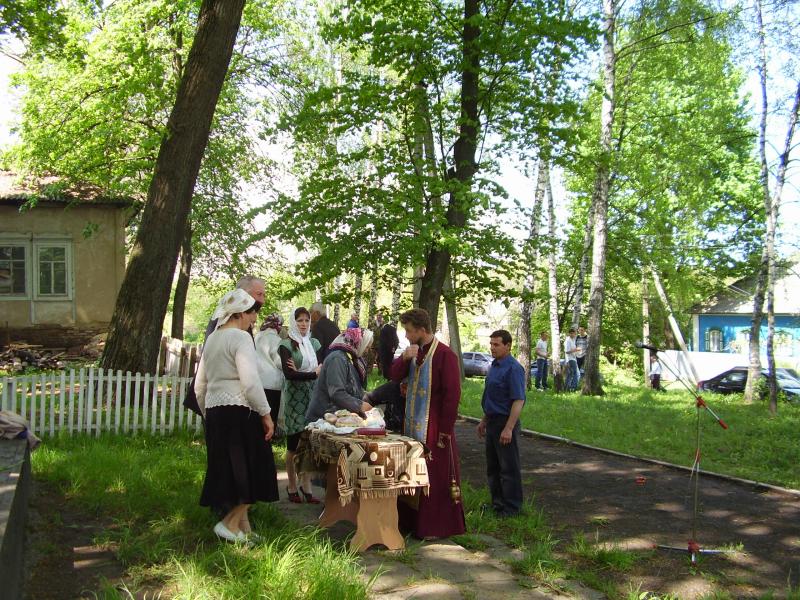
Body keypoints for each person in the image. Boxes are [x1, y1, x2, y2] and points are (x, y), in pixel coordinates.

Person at [194, 289, 277, 542]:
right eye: (252, 313)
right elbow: (251, 383)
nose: (254, 319)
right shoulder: (241, 339)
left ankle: (244, 530)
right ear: (241, 312)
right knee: (256, 468)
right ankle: (229, 524)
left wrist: (207, 412)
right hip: (240, 411)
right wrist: (266, 414)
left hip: (216, 411)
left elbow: (200, 385)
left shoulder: (212, 339)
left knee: (233, 471)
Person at [390, 308, 465, 539]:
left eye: (409, 331)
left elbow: (452, 395)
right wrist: (403, 358)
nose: (406, 336)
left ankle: (436, 527)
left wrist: (444, 431)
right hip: (413, 425)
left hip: (434, 428)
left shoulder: (445, 355)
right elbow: (393, 377)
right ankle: (410, 523)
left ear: (422, 330)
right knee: (411, 473)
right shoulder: (414, 352)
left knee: (435, 477)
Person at [184, 275, 265, 416]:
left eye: (264, 295)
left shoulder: (240, 322)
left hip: (217, 405)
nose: (262, 300)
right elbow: (210, 367)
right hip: (228, 406)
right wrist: (264, 412)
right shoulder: (223, 323)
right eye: (259, 294)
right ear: (242, 294)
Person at [477, 330, 526, 517]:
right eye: (491, 344)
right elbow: (492, 397)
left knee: (508, 467)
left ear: (508, 345)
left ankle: (512, 508)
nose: (492, 348)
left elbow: (518, 400)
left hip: (506, 423)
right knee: (494, 467)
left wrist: (509, 428)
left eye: (496, 344)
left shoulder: (513, 368)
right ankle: (498, 504)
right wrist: (484, 420)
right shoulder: (494, 366)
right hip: (493, 421)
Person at [279, 307, 322, 504]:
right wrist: (312, 373)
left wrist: (306, 373)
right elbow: (290, 375)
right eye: (299, 320)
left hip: (312, 397)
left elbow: (322, 368)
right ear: (293, 322)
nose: (304, 324)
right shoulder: (286, 345)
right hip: (294, 398)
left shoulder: (314, 343)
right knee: (294, 443)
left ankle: (307, 485)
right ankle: (291, 485)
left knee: (309, 443)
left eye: (306, 320)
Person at [306, 327, 374, 421]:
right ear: (358, 343)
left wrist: (366, 396)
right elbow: (336, 393)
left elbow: (352, 386)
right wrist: (360, 405)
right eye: (366, 347)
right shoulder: (337, 359)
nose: (367, 351)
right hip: (323, 417)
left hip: (335, 416)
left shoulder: (350, 359)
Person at [255, 313, 285, 435]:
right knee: (270, 415)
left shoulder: (257, 337)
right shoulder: (276, 340)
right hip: (272, 383)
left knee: (259, 414)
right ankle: (269, 438)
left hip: (257, 381)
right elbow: (279, 362)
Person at [377, 314, 400, 379]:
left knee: (386, 364)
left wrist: (393, 348)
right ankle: (387, 376)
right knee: (385, 364)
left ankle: (388, 377)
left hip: (386, 350)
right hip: (385, 350)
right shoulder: (382, 328)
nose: (379, 320)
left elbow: (395, 340)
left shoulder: (388, 329)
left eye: (381, 318)